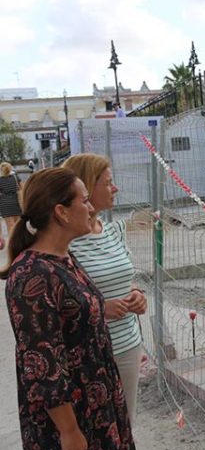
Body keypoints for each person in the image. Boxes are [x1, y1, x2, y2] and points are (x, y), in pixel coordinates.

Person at [0, 167, 136, 450]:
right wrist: (69, 431)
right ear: (61, 212)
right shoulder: (30, 276)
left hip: (97, 403)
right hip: (72, 418)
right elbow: (41, 363)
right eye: (84, 201)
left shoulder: (64, 258)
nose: (90, 209)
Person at [63, 153, 147, 428]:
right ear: (86, 186)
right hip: (90, 354)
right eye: (108, 183)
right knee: (95, 433)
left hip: (127, 346)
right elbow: (57, 302)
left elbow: (123, 281)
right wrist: (100, 308)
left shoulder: (113, 230)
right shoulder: (66, 242)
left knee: (125, 427)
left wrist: (137, 296)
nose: (115, 188)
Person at [0, 162, 23, 250]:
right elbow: (21, 188)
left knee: (10, 226)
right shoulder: (15, 176)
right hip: (16, 202)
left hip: (4, 203)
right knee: (18, 225)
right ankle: (20, 243)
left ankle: (13, 246)